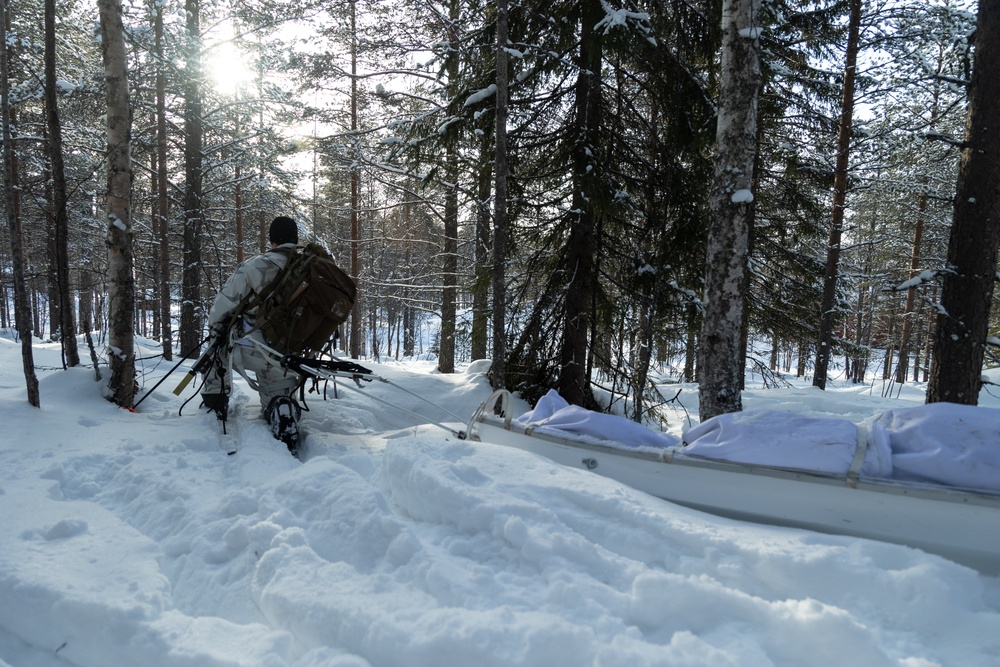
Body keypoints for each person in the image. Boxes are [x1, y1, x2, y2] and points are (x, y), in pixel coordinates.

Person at [200, 215, 303, 452]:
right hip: (294, 354)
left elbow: (220, 309)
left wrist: (217, 332)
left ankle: (216, 399)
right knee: (277, 393)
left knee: (219, 343)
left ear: (272, 240)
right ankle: (281, 406)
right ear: (295, 239)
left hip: (256, 349)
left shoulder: (255, 266)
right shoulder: (307, 268)